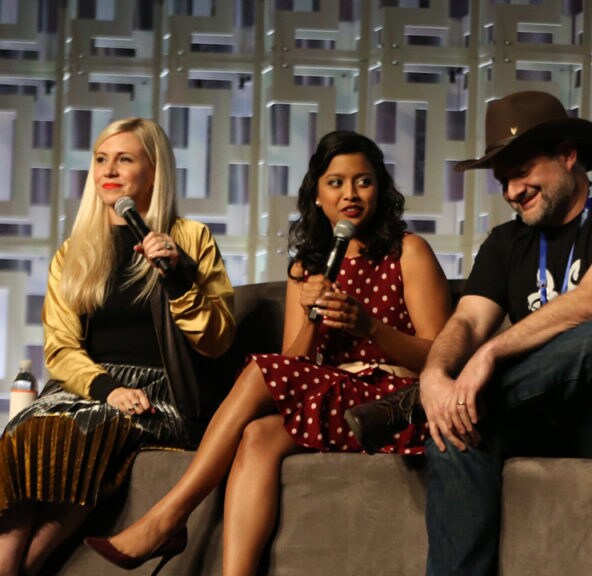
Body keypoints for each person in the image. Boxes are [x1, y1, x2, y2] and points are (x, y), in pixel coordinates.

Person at [346, 90, 592, 576]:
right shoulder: (507, 242)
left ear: (568, 155)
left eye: (522, 173)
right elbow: (466, 322)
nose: (511, 192)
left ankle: (408, 405)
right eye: (503, 180)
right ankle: (422, 405)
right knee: (455, 428)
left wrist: (491, 355)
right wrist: (436, 377)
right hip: (555, 416)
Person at [84, 130, 451, 575]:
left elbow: (440, 360)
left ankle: (169, 516)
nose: (350, 194)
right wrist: (314, 316)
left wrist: (368, 326)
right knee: (258, 436)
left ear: (381, 189)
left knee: (259, 372)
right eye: (335, 183)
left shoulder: (408, 251)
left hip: (393, 405)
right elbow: (295, 362)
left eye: (364, 181)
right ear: (317, 195)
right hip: (334, 395)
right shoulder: (307, 266)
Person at [0, 118, 235, 576]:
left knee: (85, 428)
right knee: (22, 433)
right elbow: (60, 348)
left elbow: (218, 339)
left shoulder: (190, 239)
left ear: (153, 170)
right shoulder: (76, 250)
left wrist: (178, 277)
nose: (109, 170)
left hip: (160, 395)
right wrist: (106, 387)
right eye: (102, 160)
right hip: (89, 388)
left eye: (125, 159)